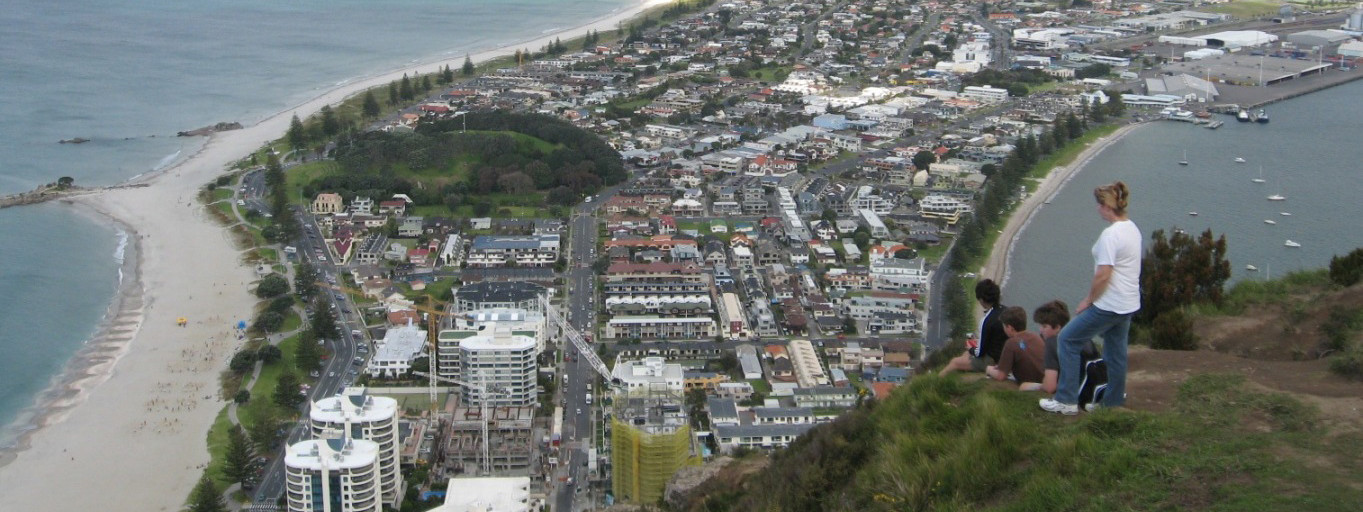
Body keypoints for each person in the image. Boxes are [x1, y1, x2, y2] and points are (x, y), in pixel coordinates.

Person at [1041, 181, 1141, 415]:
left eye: (1099, 205)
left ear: (1107, 207)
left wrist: (1089, 300)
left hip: (1110, 303)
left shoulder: (1111, 235)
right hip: (1128, 302)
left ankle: (1065, 400)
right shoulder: (1132, 228)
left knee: (1067, 339)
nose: (1097, 210)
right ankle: (1112, 402)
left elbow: (1103, 274)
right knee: (1116, 352)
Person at [939, 279, 1007, 377]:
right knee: (965, 355)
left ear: (981, 300)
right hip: (1005, 357)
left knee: (955, 362)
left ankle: (935, 382)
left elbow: (979, 353)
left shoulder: (987, 320)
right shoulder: (1006, 311)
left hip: (992, 360)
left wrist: (971, 348)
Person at [986, 306, 1046, 389]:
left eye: (1004, 326)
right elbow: (1025, 352)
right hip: (1044, 378)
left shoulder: (1011, 343)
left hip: (1031, 382)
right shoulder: (1036, 337)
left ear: (1010, 328)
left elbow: (1001, 376)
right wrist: (1003, 366)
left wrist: (988, 369)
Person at [1031, 300, 1071, 394]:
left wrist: (1032, 386)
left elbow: (1050, 387)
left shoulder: (1052, 342)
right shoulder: (1081, 338)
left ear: (1057, 327)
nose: (1040, 331)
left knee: (1024, 386)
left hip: (1072, 396)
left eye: (1044, 327)